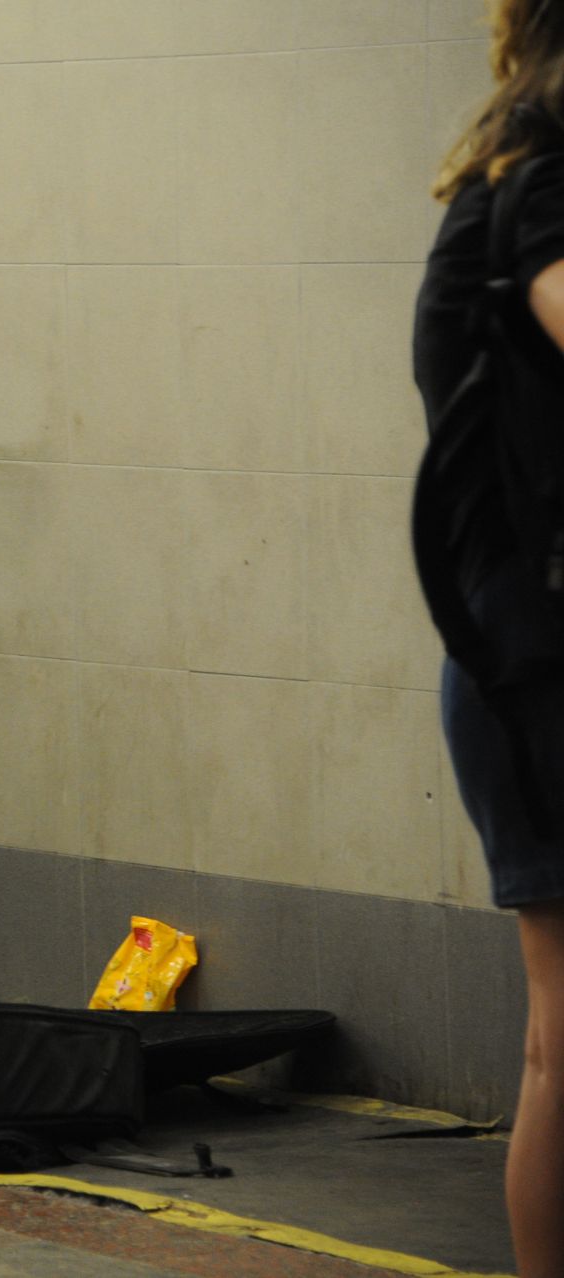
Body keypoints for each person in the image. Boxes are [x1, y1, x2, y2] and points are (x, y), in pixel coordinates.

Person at [415, 2, 564, 1272]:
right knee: (562, 1035)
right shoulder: (543, 190)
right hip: (534, 667)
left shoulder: (513, 184)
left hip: (521, 656)